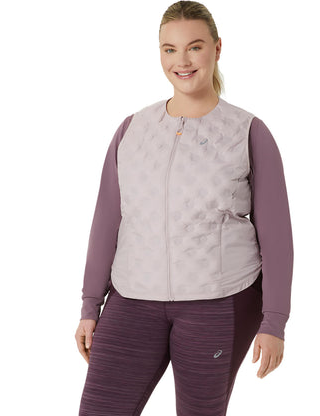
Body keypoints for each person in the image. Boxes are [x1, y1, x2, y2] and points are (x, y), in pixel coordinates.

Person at [75, 1, 294, 415]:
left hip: (220, 301)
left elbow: (277, 236)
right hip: (131, 298)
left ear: (217, 48)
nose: (182, 61)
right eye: (170, 49)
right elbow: (107, 221)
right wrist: (90, 306)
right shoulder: (133, 129)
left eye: (194, 47)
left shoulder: (247, 131)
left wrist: (274, 321)